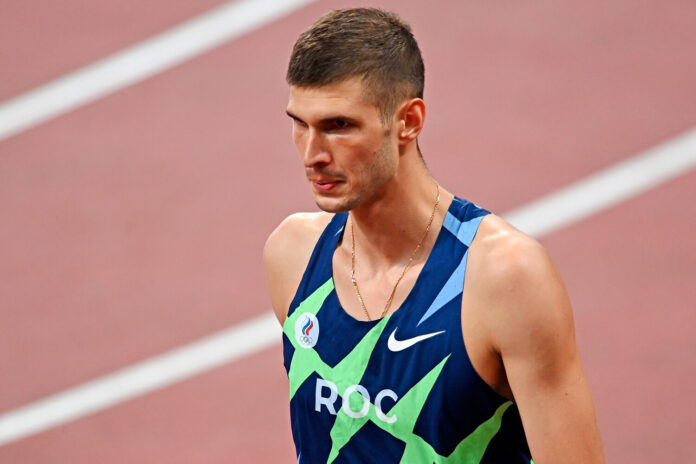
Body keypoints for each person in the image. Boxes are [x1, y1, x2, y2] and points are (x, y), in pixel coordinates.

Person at [263, 7, 604, 463]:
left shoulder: (505, 277)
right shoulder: (293, 255)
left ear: (409, 121)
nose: (312, 154)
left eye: (338, 126)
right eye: (300, 123)